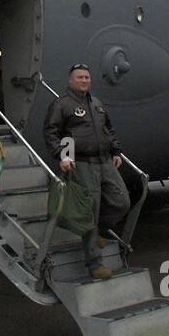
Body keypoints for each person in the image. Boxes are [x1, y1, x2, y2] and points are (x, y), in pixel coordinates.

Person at [43, 64, 130, 279]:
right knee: (91, 209)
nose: (84, 81)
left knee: (122, 201)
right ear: (71, 80)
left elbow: (108, 129)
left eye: (87, 78)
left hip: (104, 161)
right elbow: (52, 131)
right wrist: (64, 156)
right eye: (80, 77)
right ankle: (94, 265)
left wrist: (116, 150)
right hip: (82, 163)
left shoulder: (97, 103)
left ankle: (100, 231)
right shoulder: (61, 104)